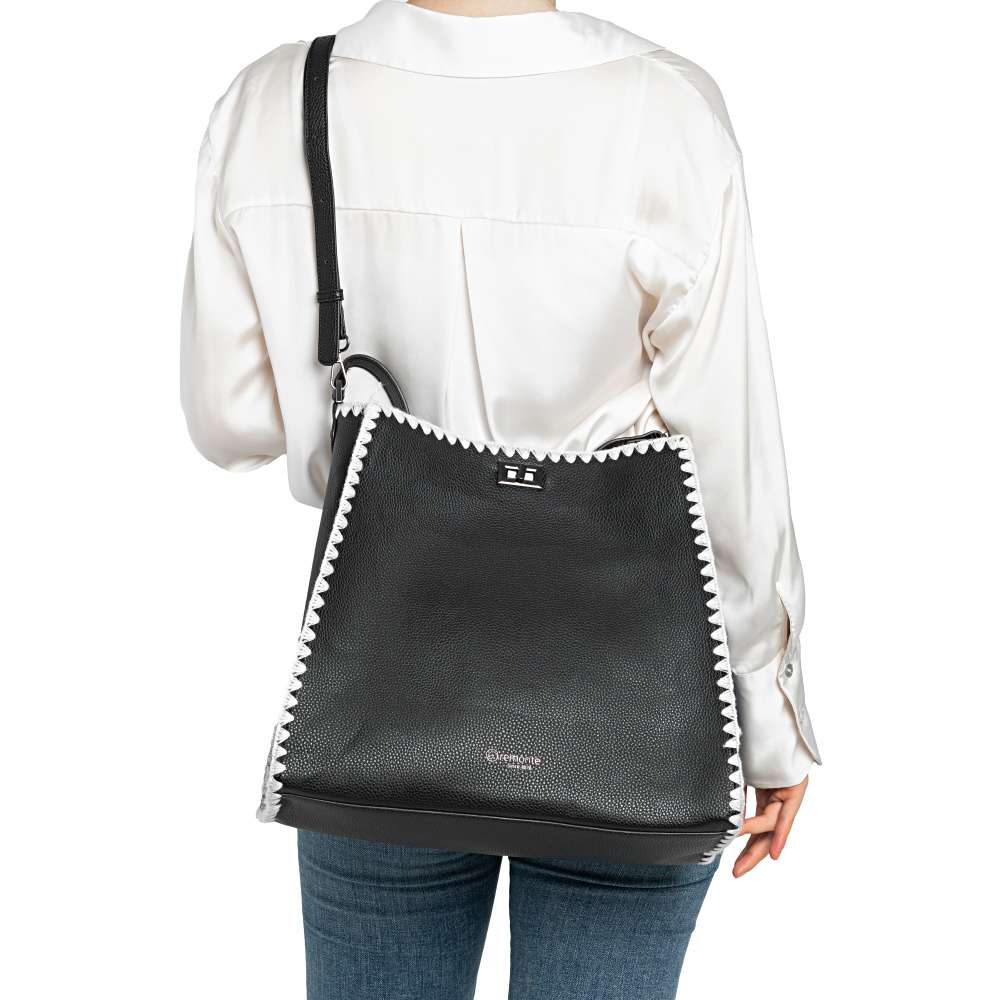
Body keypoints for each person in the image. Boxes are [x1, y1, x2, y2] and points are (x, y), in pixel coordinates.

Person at [181, 2, 821, 996]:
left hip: (384, 688)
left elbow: (231, 423)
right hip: (631, 698)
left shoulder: (278, 100)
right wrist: (769, 720)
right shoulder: (663, 108)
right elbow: (726, 458)